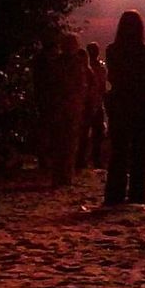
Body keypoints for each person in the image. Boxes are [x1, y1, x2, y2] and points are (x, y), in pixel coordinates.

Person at [102, 10, 145, 206]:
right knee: (140, 154)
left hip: (120, 104)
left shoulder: (112, 50)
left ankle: (114, 194)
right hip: (142, 105)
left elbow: (112, 77)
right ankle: (137, 194)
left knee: (118, 152)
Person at [35, 31, 88, 187]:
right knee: (67, 143)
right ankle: (64, 175)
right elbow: (80, 85)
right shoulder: (76, 64)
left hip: (61, 105)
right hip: (69, 106)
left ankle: (61, 175)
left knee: (61, 142)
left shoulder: (56, 63)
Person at [77, 41, 107, 172]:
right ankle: (92, 159)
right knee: (94, 133)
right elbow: (102, 87)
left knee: (88, 133)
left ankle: (83, 159)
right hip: (93, 103)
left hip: (89, 103)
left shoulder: (84, 68)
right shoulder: (98, 69)